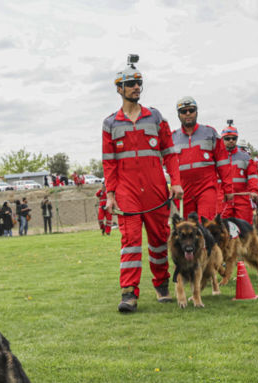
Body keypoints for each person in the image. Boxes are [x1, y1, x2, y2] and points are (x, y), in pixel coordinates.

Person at [102, 54, 179, 313]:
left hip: (156, 190)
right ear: (119, 88)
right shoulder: (110, 123)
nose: (136, 87)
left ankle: (162, 285)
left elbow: (169, 153)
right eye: (131, 83)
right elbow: (109, 162)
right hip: (127, 192)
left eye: (139, 82)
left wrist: (175, 182)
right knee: (130, 241)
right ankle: (129, 294)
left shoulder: (156, 118)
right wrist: (110, 195)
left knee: (159, 240)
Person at [170, 96, 228, 221]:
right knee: (189, 229)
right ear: (178, 115)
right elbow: (167, 166)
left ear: (197, 112)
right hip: (184, 190)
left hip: (206, 187)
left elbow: (223, 164)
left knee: (205, 224)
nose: (188, 114)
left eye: (191, 110)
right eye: (183, 111)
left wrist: (228, 189)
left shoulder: (210, 133)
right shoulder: (172, 137)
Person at [216, 127, 258, 224]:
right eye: (227, 138)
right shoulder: (216, 156)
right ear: (222, 139)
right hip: (223, 199)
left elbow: (252, 176)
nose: (231, 140)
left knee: (245, 228)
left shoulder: (246, 157)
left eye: (234, 138)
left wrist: (254, 191)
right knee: (223, 229)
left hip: (242, 199)